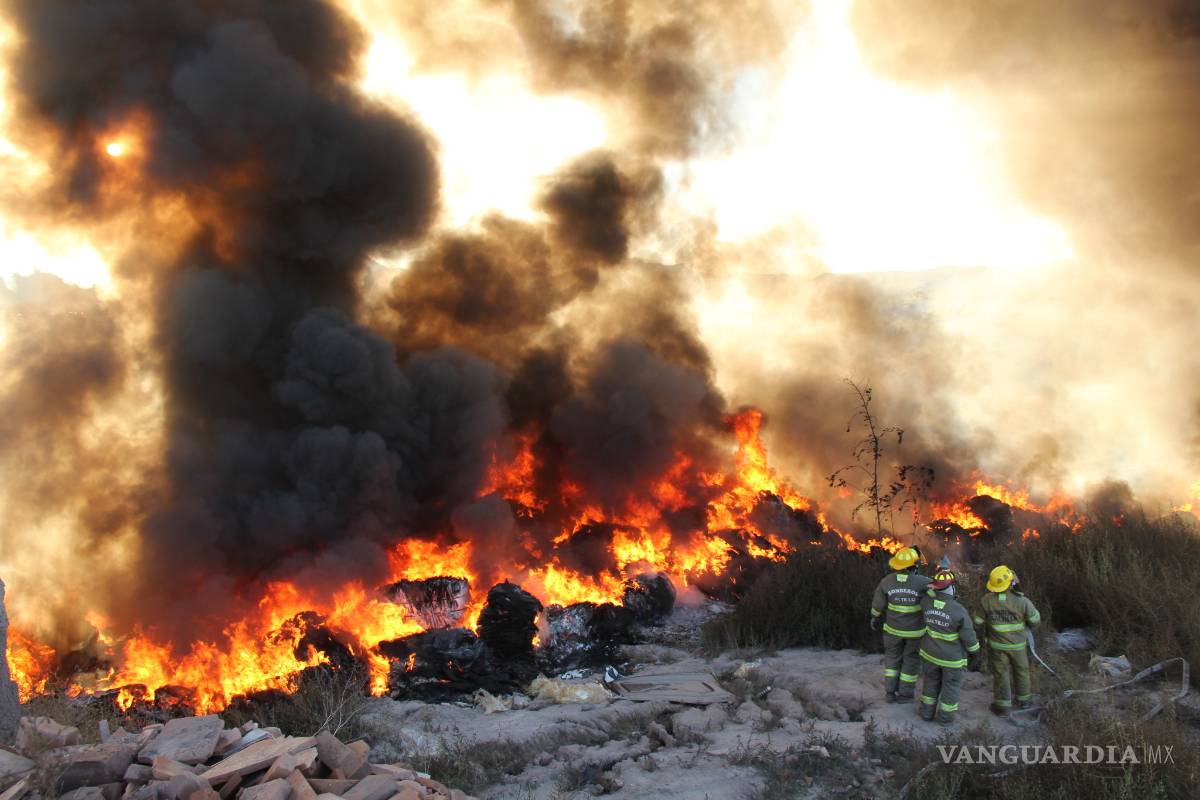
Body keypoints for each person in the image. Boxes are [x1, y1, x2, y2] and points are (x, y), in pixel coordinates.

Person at [973, 565, 1041, 715]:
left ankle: (1002, 705)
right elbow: (1035, 621)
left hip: (997, 647)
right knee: (1022, 672)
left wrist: (983, 634)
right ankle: (1024, 702)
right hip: (1018, 646)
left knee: (1001, 674)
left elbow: (977, 623)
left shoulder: (986, 601)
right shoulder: (1022, 601)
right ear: (1010, 584)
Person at [917, 569, 980, 724]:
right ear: (952, 587)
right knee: (951, 687)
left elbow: (926, 592)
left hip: (929, 654)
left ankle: (926, 713)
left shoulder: (926, 603)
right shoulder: (958, 610)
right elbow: (968, 636)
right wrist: (975, 652)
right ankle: (944, 719)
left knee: (930, 682)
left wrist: (932, 589)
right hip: (951, 659)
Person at [869, 547, 930, 702]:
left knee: (892, 660)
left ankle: (890, 693)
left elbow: (877, 604)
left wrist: (874, 617)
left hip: (893, 632)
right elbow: (940, 595)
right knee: (911, 662)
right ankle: (905, 695)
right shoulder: (923, 582)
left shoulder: (887, 581)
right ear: (914, 566)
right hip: (915, 634)